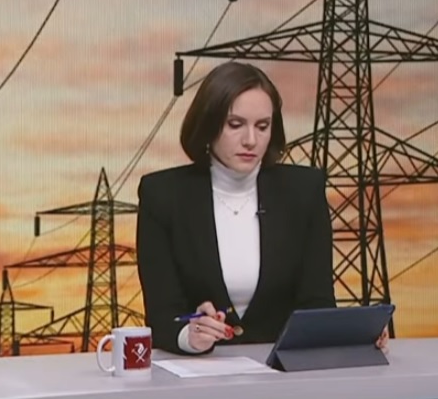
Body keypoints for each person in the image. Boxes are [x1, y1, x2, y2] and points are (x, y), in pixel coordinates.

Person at [136, 61, 388, 355]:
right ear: (207, 124)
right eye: (235, 125)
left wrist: (354, 334)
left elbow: (317, 304)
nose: (251, 140)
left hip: (283, 372)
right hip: (199, 372)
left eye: (263, 126)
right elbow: (162, 316)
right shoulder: (162, 196)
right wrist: (189, 336)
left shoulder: (304, 191)